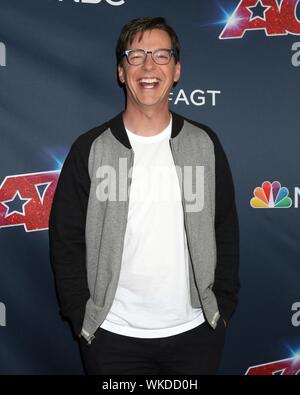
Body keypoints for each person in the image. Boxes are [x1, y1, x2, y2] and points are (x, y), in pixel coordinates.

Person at [48, 16, 239, 375]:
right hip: (111, 337)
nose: (149, 65)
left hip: (195, 332)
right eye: (136, 55)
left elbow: (224, 228)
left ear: (177, 70)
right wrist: (82, 316)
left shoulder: (204, 144)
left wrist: (221, 307)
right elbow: (66, 239)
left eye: (161, 55)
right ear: (122, 71)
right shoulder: (90, 149)